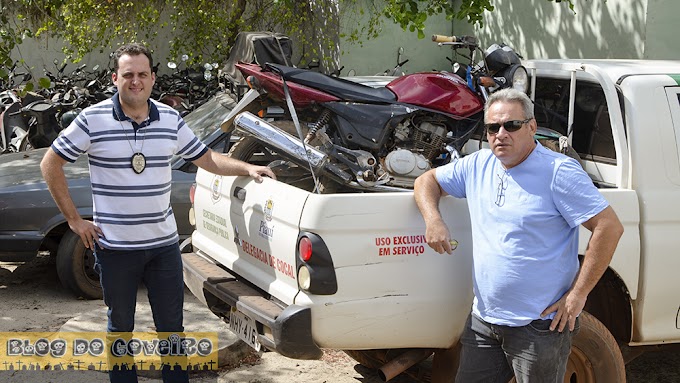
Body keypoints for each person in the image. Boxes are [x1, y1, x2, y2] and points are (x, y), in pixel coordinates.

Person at [40, 43, 275, 383]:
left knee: (172, 331)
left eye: (142, 74)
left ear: (152, 78)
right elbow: (51, 163)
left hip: (163, 248)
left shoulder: (169, 118)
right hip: (116, 249)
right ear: (115, 79)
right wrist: (75, 221)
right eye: (128, 75)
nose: (135, 81)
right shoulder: (92, 120)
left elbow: (206, 158)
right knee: (120, 328)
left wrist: (248, 168)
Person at [414, 88, 624, 383]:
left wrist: (578, 294)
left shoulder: (558, 173)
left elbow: (609, 227)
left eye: (512, 125)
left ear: (532, 127)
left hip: (539, 326)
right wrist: (433, 219)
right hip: (485, 320)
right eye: (492, 127)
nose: (501, 134)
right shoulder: (478, 164)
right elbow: (427, 180)